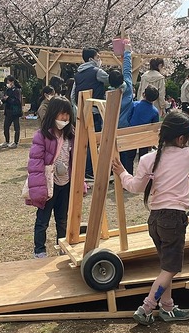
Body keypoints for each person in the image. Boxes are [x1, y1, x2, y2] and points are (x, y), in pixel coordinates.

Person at [111, 111, 189, 325]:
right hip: (174, 219)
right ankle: (146, 307)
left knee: (165, 267)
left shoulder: (148, 159)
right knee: (171, 268)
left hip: (155, 219)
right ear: (181, 139)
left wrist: (122, 172)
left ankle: (168, 307)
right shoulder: (186, 154)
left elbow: (135, 186)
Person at [26, 96, 75, 259]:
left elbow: (76, 161)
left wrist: (79, 184)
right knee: (42, 221)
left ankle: (63, 246)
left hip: (65, 184)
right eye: (62, 114)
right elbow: (35, 163)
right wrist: (39, 188)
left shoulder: (71, 135)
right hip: (47, 184)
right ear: (53, 113)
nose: (65, 118)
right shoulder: (42, 135)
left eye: (67, 114)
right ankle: (39, 250)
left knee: (62, 219)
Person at [70, 47, 109, 180]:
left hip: (82, 112)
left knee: (83, 141)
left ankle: (82, 169)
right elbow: (111, 80)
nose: (99, 59)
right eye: (98, 57)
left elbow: (73, 95)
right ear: (92, 59)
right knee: (94, 141)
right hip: (95, 111)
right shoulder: (97, 72)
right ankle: (89, 170)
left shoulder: (77, 74)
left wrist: (78, 108)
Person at [111, 39, 136, 174]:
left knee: (114, 152)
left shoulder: (110, 94)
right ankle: (127, 174)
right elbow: (127, 69)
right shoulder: (127, 86)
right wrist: (127, 52)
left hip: (113, 126)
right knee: (127, 153)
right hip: (126, 125)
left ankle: (113, 174)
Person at [123, 86, 160, 175]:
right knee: (143, 157)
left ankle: (129, 176)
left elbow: (128, 117)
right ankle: (142, 176)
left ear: (143, 94)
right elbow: (154, 127)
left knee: (129, 157)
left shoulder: (134, 104)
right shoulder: (155, 111)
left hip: (132, 132)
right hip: (145, 136)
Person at [0, 75, 23, 148]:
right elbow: (5, 98)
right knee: (6, 127)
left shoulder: (17, 90)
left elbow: (17, 101)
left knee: (16, 127)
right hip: (8, 110)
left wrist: (8, 99)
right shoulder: (8, 90)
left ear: (12, 82)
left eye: (8, 82)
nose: (7, 83)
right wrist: (3, 100)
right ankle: (6, 141)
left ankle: (15, 142)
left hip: (15, 111)